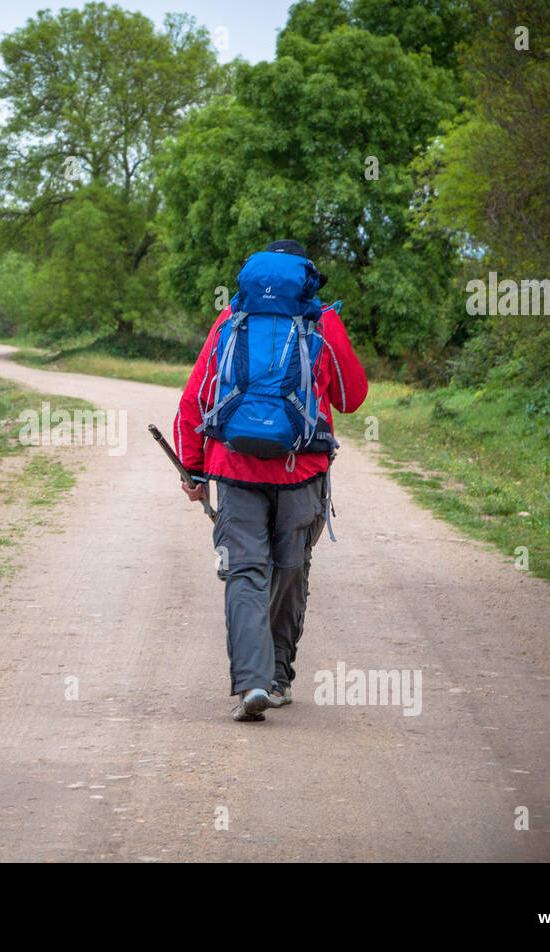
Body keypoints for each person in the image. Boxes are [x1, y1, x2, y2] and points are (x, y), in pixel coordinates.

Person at [173, 239, 369, 722]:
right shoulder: (320, 321)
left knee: (243, 572)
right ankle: (278, 679)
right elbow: (351, 397)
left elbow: (195, 399)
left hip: (234, 470)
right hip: (301, 472)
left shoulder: (231, 321)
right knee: (290, 569)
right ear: (305, 277)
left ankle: (252, 684)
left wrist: (194, 470)